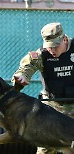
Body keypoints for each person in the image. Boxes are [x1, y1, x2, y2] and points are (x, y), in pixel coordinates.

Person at [11, 22, 74, 154]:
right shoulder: (41, 55)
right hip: (53, 110)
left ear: (64, 39)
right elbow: (25, 68)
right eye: (49, 47)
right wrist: (21, 78)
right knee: (45, 149)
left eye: (55, 46)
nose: (52, 50)